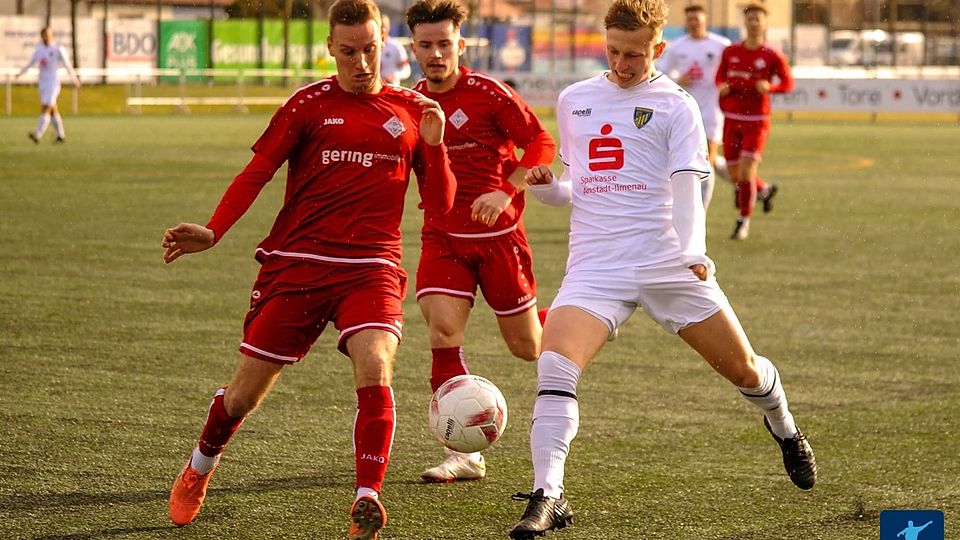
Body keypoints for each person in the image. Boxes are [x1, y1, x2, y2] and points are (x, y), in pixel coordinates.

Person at [507, 0, 816, 537]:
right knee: (554, 363)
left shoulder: (676, 106)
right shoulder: (575, 99)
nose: (623, 64)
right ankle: (548, 495)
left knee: (744, 370)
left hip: (669, 262)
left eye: (635, 55)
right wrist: (549, 188)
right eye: (613, 52)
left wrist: (693, 250)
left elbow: (687, 188)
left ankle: (785, 427)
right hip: (596, 265)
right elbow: (579, 187)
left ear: (658, 49)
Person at [161, 1, 456, 538]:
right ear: (330, 48)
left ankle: (367, 496)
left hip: (372, 267)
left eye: (370, 49)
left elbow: (438, 206)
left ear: (384, 40)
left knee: (376, 363)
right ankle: (200, 465)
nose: (361, 62)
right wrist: (214, 229)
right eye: (349, 52)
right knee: (243, 396)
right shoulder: (308, 105)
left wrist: (434, 150)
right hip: (298, 265)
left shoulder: (415, 110)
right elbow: (257, 171)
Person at [405, 0, 557, 483]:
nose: (435, 53)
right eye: (426, 45)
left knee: (527, 347)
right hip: (443, 238)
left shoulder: (490, 94)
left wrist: (505, 187)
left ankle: (576, 316)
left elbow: (542, 144)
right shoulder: (409, 103)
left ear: (460, 45)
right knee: (443, 332)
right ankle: (462, 453)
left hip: (500, 241)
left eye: (444, 43)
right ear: (413, 47)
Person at [716, 3, 794, 240]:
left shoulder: (771, 55)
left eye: (758, 19)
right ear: (745, 22)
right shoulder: (731, 52)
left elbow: (787, 84)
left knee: (747, 173)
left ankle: (743, 222)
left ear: (764, 23)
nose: (753, 23)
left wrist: (771, 86)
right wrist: (722, 87)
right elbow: (719, 76)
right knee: (734, 174)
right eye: (750, 19)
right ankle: (764, 190)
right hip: (731, 119)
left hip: (757, 121)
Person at [656, 4, 730, 210]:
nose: (694, 23)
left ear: (705, 20)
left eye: (697, 19)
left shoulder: (722, 45)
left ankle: (700, 213)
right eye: (690, 19)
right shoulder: (677, 47)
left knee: (705, 161)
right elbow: (663, 75)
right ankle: (747, 182)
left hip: (712, 110)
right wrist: (680, 78)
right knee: (692, 159)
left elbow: (731, 72)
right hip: (684, 111)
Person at [16, 26, 81, 144]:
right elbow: (31, 63)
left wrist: (74, 79)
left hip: (53, 83)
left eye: (48, 34)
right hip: (43, 84)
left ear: (52, 35)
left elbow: (67, 65)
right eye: (43, 35)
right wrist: (20, 73)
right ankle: (61, 136)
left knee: (46, 107)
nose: (46, 37)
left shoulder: (58, 49)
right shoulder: (39, 50)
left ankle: (37, 134)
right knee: (52, 110)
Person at [380, 13, 412, 85]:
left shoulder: (395, 46)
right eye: (380, 26)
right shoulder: (370, 47)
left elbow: (407, 70)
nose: (383, 29)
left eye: (384, 26)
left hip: (392, 87)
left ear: (389, 27)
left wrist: (394, 75)